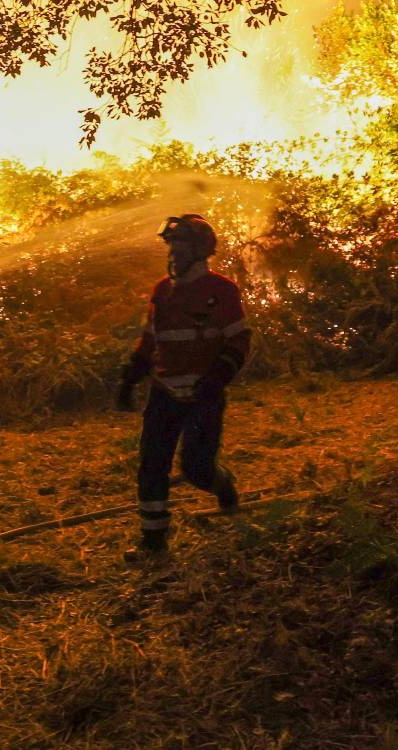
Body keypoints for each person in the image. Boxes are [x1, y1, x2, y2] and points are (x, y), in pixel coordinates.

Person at [116, 214, 251, 561]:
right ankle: (153, 542)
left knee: (197, 470)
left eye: (181, 245)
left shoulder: (222, 291)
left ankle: (223, 484)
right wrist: (131, 377)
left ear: (201, 250)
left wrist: (216, 378)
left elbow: (238, 341)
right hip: (164, 394)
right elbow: (151, 339)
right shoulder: (162, 290)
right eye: (171, 244)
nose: (173, 252)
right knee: (152, 465)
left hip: (204, 397)